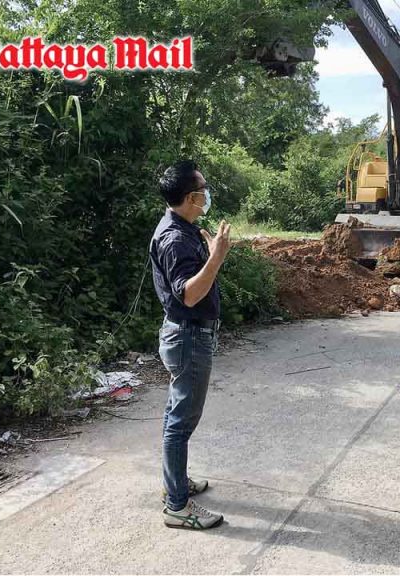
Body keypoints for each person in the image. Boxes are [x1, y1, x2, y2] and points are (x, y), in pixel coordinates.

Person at [150, 160, 231, 530]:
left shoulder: (185, 228)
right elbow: (189, 294)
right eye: (202, 190)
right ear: (188, 197)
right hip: (188, 337)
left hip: (188, 335)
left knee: (176, 417)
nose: (207, 195)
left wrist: (211, 255)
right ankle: (178, 507)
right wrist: (217, 257)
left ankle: (175, 484)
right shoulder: (175, 239)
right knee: (180, 423)